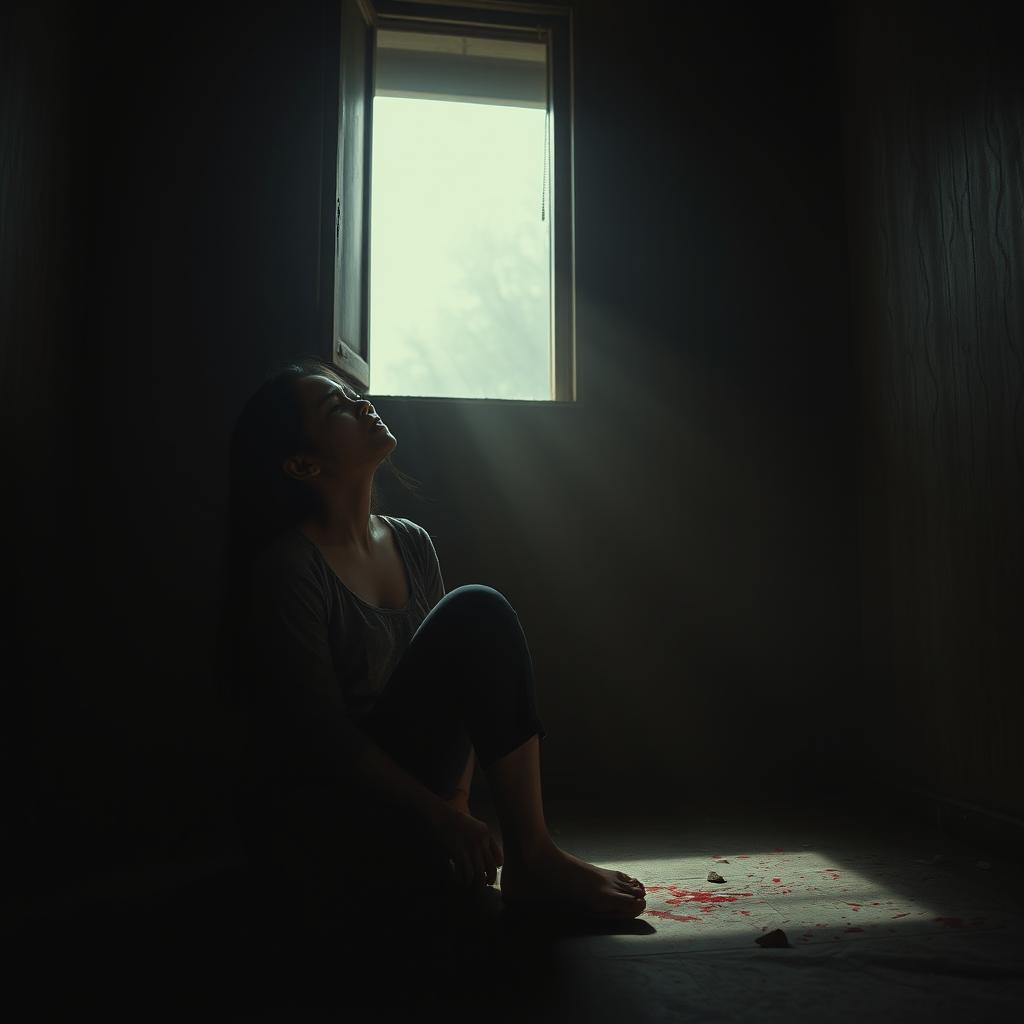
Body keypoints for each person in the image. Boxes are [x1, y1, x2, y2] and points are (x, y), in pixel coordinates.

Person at [217, 356, 647, 935]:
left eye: (352, 393)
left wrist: (457, 804)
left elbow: (462, 694)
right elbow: (320, 738)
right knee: (476, 606)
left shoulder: (411, 544)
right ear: (302, 463)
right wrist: (439, 822)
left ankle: (530, 857)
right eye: (335, 406)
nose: (361, 403)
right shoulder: (290, 569)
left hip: (415, 810)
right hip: (329, 823)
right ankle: (521, 859)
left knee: (479, 613)